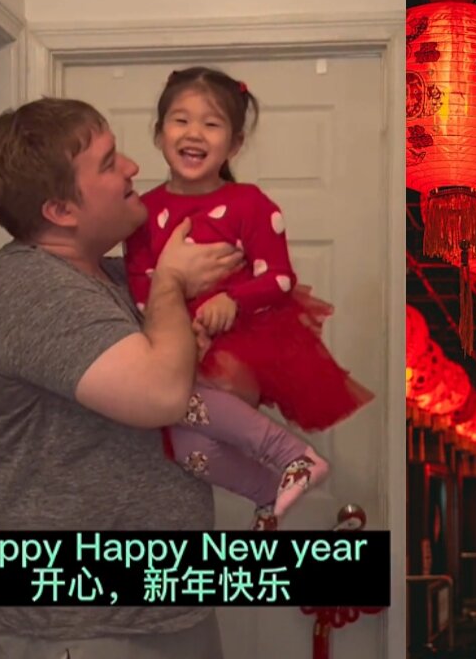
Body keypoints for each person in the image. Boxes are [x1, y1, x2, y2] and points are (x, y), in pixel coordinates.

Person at [0, 97, 241, 657]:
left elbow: (218, 393)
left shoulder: (115, 278)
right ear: (62, 210)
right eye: (110, 162)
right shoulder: (23, 286)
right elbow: (162, 396)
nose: (134, 167)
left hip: (167, 607)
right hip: (82, 628)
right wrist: (169, 285)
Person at [124, 67, 375, 527]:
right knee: (187, 447)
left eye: (212, 123)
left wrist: (233, 300)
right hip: (174, 344)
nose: (194, 132)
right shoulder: (143, 212)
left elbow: (279, 278)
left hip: (238, 343)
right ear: (159, 134)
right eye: (180, 120)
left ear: (235, 144)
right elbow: (141, 287)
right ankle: (267, 493)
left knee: (181, 402)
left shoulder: (251, 205)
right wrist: (171, 329)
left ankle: (294, 456)